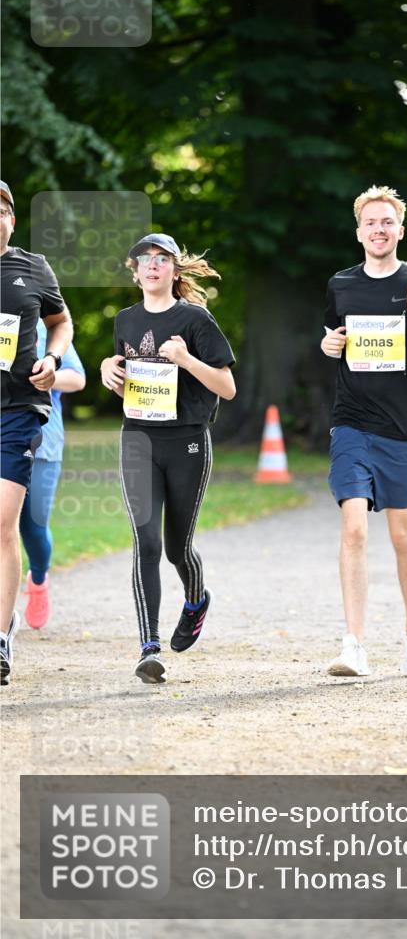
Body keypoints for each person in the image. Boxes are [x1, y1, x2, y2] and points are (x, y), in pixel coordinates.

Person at [321, 185, 407, 678]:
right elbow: (330, 338)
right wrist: (329, 344)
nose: (378, 230)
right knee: (354, 526)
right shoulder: (341, 284)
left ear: (400, 230)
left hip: (404, 427)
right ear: (358, 232)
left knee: (402, 534)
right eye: (370, 223)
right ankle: (353, 644)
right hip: (352, 422)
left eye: (387, 223)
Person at [100, 233, 236, 685]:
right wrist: (108, 370)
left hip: (188, 442)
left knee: (178, 547)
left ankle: (196, 598)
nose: (154, 266)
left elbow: (227, 387)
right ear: (134, 270)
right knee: (146, 542)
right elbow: (125, 369)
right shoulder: (125, 319)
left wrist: (185, 359)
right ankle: (148, 647)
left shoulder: (195, 320)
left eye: (163, 260)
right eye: (145, 259)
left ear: (175, 271)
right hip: (138, 438)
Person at [0, 179, 73, 685]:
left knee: (3, 524)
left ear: (10, 219)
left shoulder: (33, 267)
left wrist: (51, 357)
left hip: (18, 411)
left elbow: (61, 321)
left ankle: (1, 636)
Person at [19, 320, 86, 628]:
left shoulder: (46, 327)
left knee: (33, 527)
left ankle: (38, 579)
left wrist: (50, 376)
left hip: (42, 441)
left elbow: (77, 378)